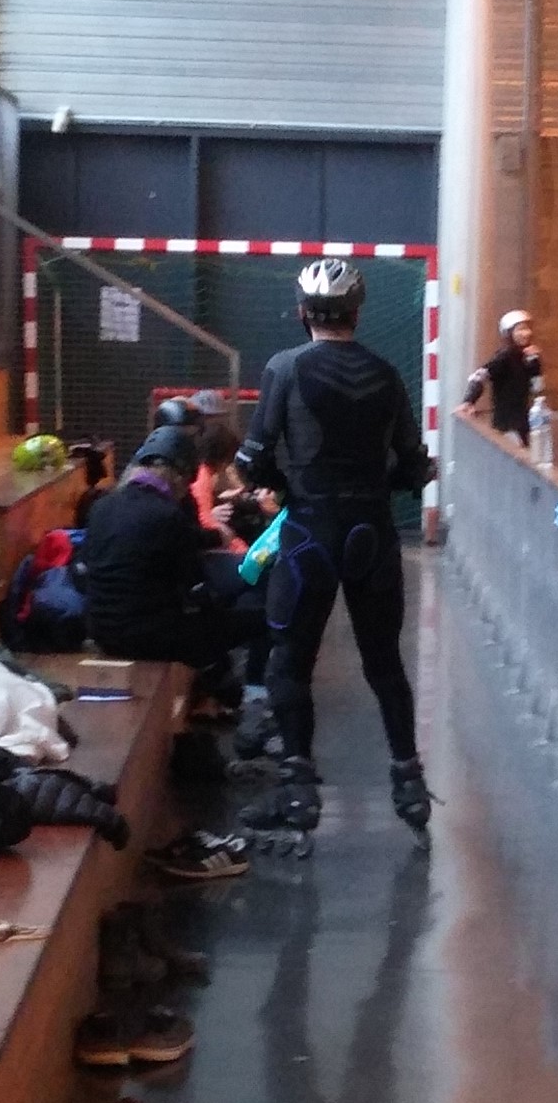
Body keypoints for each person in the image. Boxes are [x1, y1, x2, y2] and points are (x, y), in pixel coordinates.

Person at [234, 258, 434, 845]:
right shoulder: (387, 373)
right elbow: (414, 466)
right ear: (357, 313)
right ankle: (409, 783)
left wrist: (281, 485)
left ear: (303, 313)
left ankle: (298, 791)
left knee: (290, 661)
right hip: (371, 532)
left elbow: (252, 459)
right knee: (384, 662)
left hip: (308, 533)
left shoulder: (285, 367)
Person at [79, 424, 263, 689]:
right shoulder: (167, 515)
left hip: (100, 629)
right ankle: (251, 690)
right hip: (148, 637)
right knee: (258, 618)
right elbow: (195, 587)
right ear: (179, 476)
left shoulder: (102, 507)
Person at [463, 313, 542, 443]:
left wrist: (535, 364)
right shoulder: (505, 356)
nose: (526, 333)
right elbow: (480, 376)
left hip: (522, 422)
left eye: (527, 329)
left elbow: (538, 388)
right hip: (508, 425)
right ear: (509, 333)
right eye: (520, 329)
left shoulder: (526, 358)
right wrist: (469, 400)